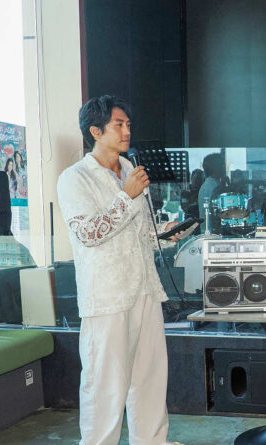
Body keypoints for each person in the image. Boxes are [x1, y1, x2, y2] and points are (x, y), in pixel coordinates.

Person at [56, 95, 183, 445]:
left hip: (144, 289)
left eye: (128, 124)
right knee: (105, 386)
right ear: (95, 131)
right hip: (107, 296)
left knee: (150, 379)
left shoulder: (129, 170)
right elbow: (88, 234)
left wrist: (168, 234)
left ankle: (152, 441)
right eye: (119, 124)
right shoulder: (75, 178)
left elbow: (138, 234)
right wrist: (126, 197)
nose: (127, 131)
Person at [197, 152, 228, 233]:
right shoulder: (212, 187)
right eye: (222, 165)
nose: (224, 168)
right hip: (212, 233)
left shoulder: (212, 184)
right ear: (216, 167)